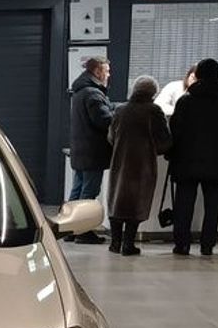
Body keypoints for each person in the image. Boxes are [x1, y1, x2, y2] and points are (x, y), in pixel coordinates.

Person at [167, 58, 218, 256]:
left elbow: (175, 130)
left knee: (184, 204)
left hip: (186, 161)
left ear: (198, 75)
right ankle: (207, 245)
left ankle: (182, 244)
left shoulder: (186, 100)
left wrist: (173, 153)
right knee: (213, 206)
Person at [106, 76, 171, 256]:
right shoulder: (154, 111)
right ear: (153, 93)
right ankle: (128, 244)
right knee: (136, 203)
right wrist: (156, 150)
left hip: (120, 161)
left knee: (117, 201)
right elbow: (165, 141)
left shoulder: (120, 110)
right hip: (143, 164)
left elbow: (111, 136)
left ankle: (115, 243)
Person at [68, 56, 113, 244]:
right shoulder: (93, 94)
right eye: (107, 71)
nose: (108, 75)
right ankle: (83, 232)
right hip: (93, 152)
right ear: (97, 71)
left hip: (81, 150)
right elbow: (103, 120)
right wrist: (117, 113)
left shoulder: (80, 91)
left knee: (77, 191)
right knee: (88, 193)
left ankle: (70, 229)